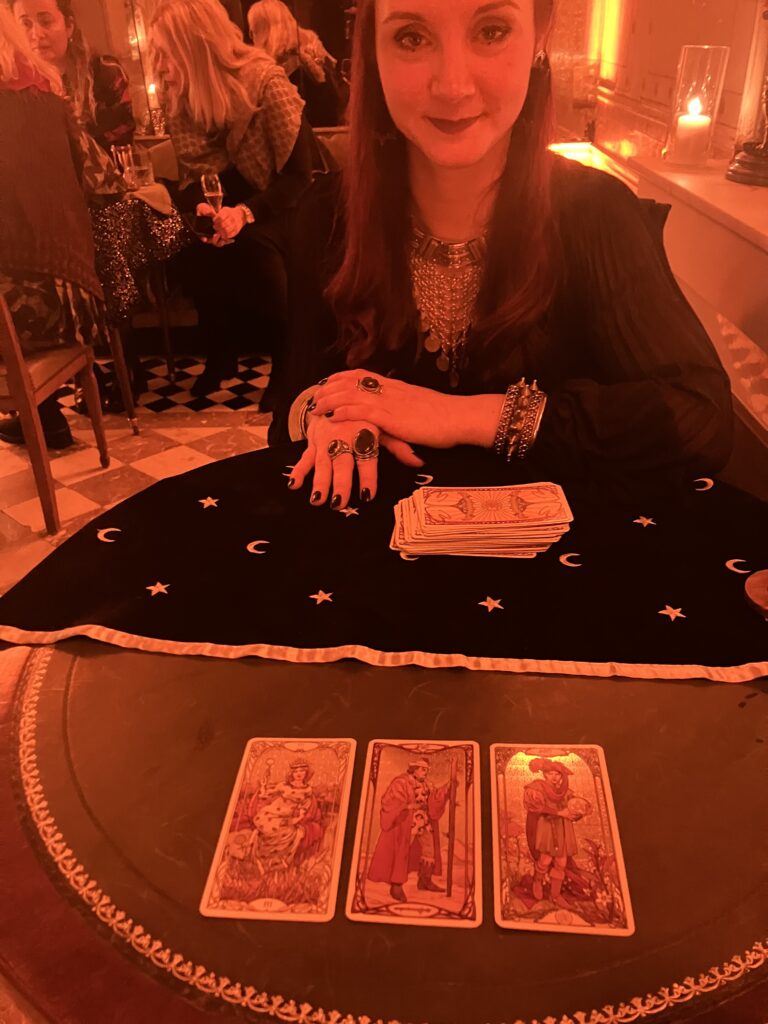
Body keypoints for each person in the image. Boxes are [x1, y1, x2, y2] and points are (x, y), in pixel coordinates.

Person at [272, 0, 733, 511]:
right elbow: (289, 405)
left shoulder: (598, 213)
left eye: (491, 31)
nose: (453, 86)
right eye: (410, 38)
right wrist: (328, 415)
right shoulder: (324, 214)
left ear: (539, 37)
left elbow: (702, 420)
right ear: (371, 52)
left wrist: (459, 416)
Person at [149, 0, 317, 399]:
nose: (159, 65)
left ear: (195, 47)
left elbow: (299, 179)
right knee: (194, 246)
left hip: (279, 202)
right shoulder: (182, 98)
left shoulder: (266, 84)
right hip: (224, 202)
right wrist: (203, 210)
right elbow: (195, 174)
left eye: (166, 52)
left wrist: (245, 214)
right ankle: (219, 354)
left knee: (256, 248)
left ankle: (285, 360)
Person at [0, 6, 117, 449]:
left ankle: (40, 414)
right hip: (80, 297)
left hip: (35, 306)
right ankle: (47, 417)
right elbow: (99, 182)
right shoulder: (48, 94)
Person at [13, 0, 135, 152]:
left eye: (45, 22)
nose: (36, 34)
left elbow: (120, 150)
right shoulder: (19, 91)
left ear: (69, 26)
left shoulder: (105, 73)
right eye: (26, 24)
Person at [247, 0, 347, 126]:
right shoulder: (314, 57)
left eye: (253, 30)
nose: (251, 37)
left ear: (262, 32)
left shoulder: (288, 71)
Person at [367, 757, 451, 902]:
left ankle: (424, 880)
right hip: (406, 822)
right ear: (414, 769)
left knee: (429, 849)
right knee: (402, 851)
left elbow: (434, 799)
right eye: (423, 769)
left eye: (427, 770)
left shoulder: (427, 784)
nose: (426, 773)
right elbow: (389, 800)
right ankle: (396, 886)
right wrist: (407, 806)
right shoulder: (401, 782)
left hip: (424, 821)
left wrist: (448, 788)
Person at [523, 758, 588, 908]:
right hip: (547, 827)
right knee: (545, 859)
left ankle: (555, 895)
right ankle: (537, 881)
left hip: (563, 828)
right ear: (544, 774)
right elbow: (535, 807)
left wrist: (578, 812)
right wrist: (559, 812)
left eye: (557, 774)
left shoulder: (566, 791)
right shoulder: (537, 788)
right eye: (549, 773)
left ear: (561, 776)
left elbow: (574, 807)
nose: (554, 777)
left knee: (561, 863)